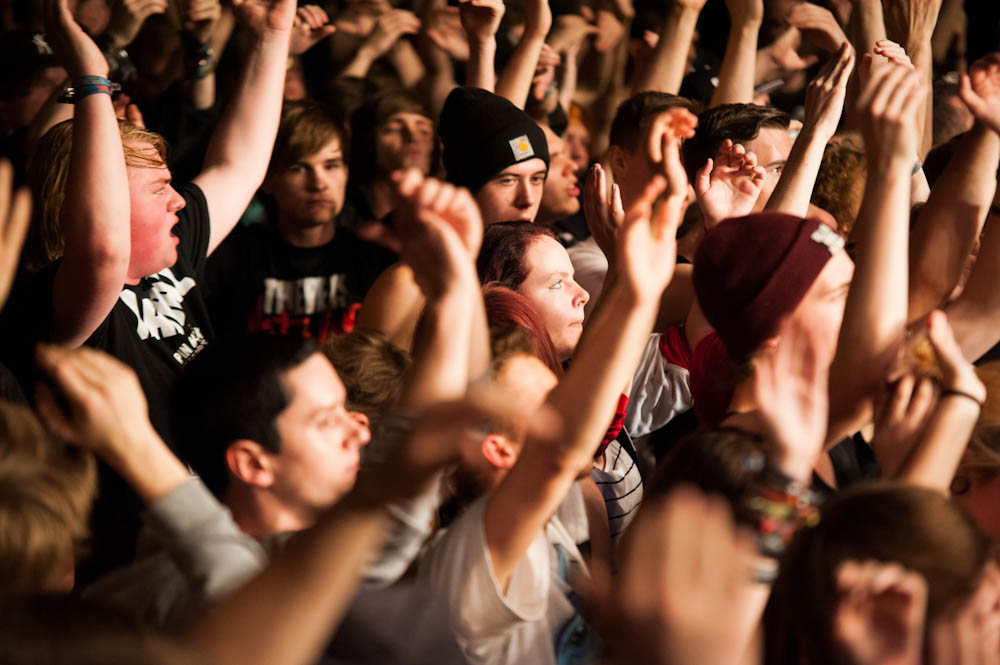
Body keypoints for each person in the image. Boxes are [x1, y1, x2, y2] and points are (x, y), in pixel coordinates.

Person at [203, 99, 395, 343]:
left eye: (331, 165)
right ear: (268, 179)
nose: (319, 184)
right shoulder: (233, 259)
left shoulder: (371, 257)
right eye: (299, 168)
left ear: (347, 172)